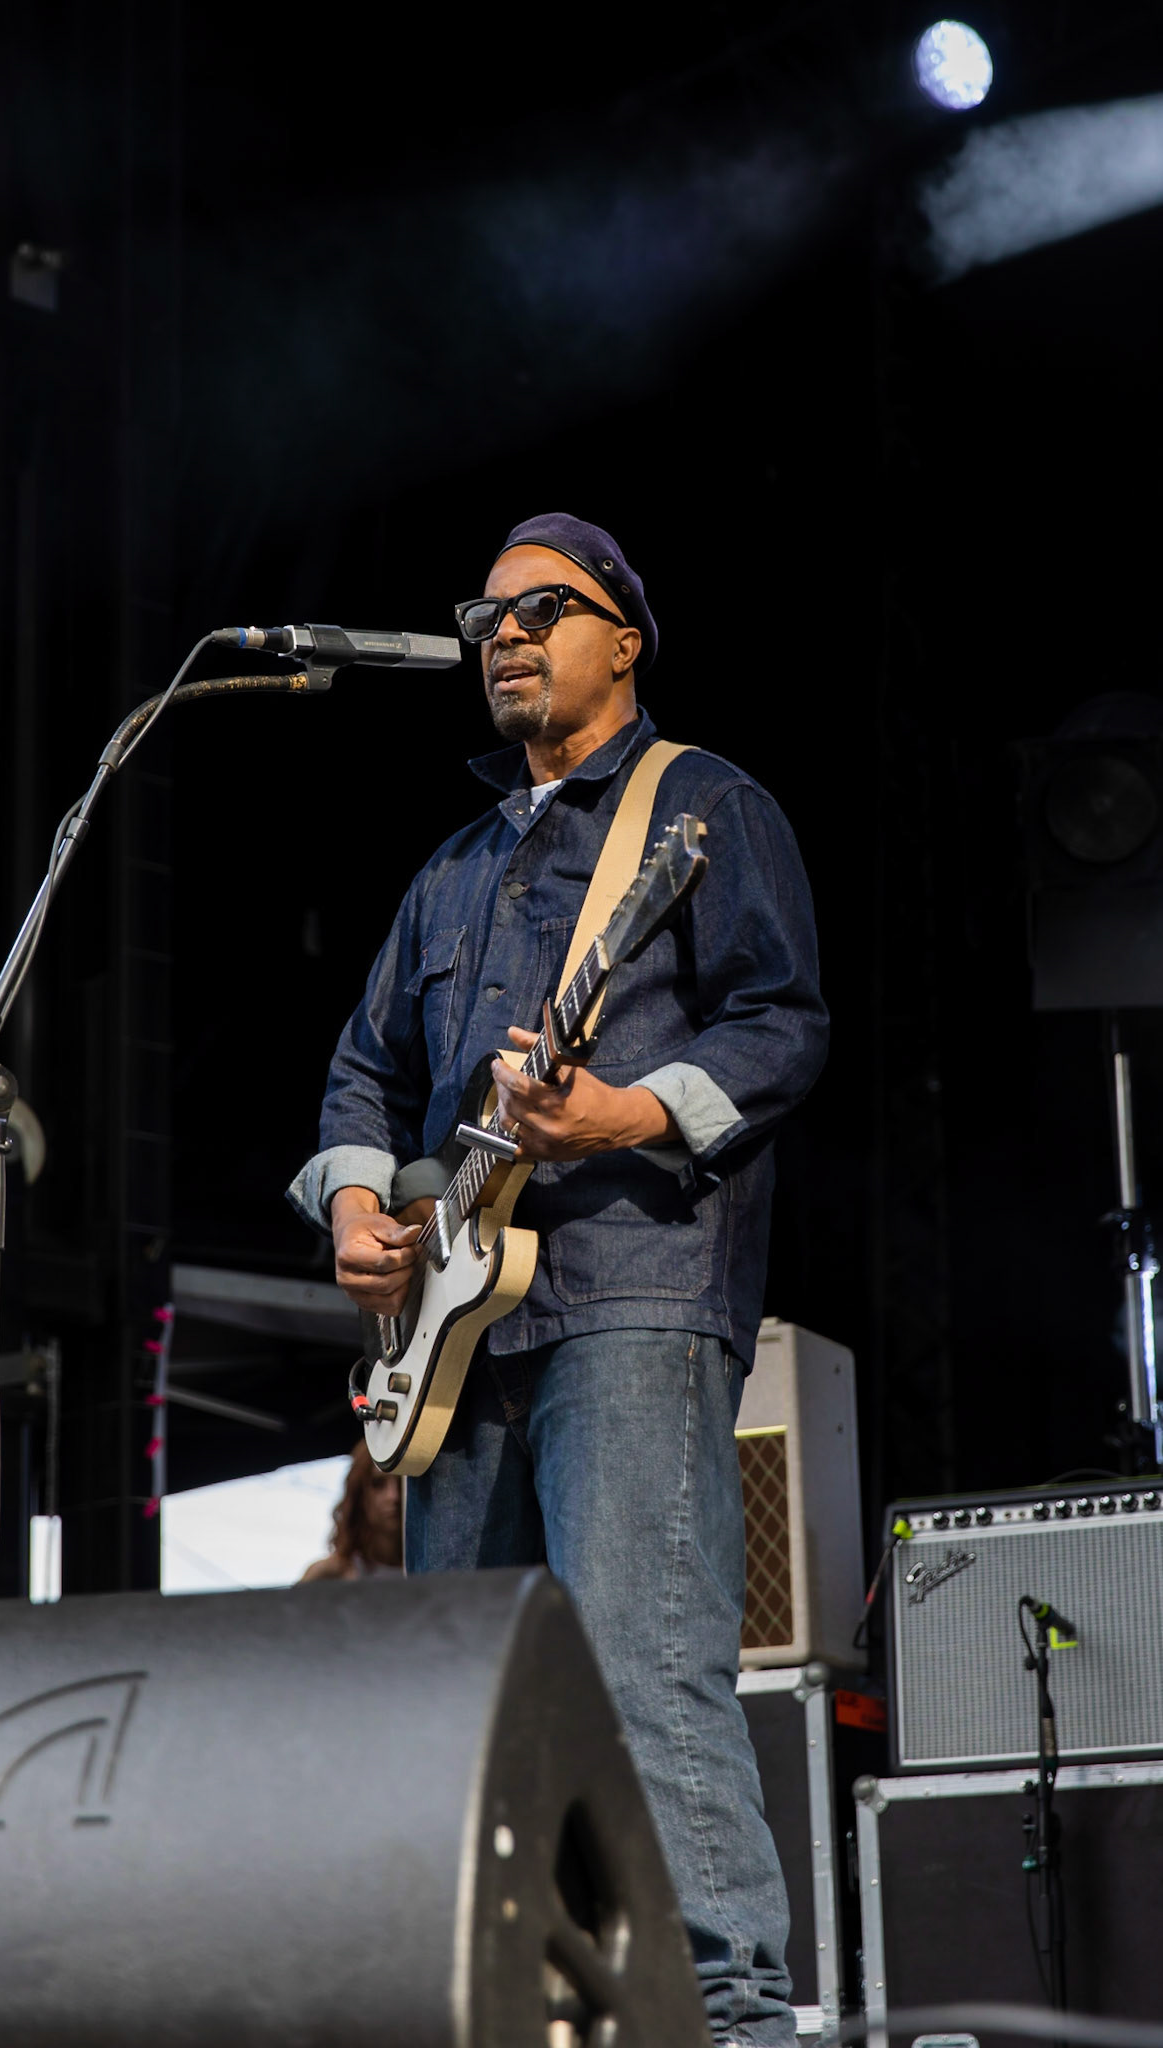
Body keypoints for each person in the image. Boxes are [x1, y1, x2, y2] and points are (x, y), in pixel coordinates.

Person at [288, 512, 828, 2043]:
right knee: (478, 1706)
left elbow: (783, 1028)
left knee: (648, 1674)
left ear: (624, 638)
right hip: (458, 1335)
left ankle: (727, 2014)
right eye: (485, 615)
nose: (501, 633)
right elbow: (358, 1079)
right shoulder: (452, 871)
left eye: (542, 608)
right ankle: (524, 2007)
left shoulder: (702, 809)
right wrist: (349, 1208)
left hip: (636, 1292)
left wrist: (625, 1110)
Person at [299, 1440, 403, 1581]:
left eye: (401, 1483)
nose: (393, 1496)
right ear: (359, 1495)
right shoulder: (331, 1574)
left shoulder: (431, 1569)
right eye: (378, 1484)